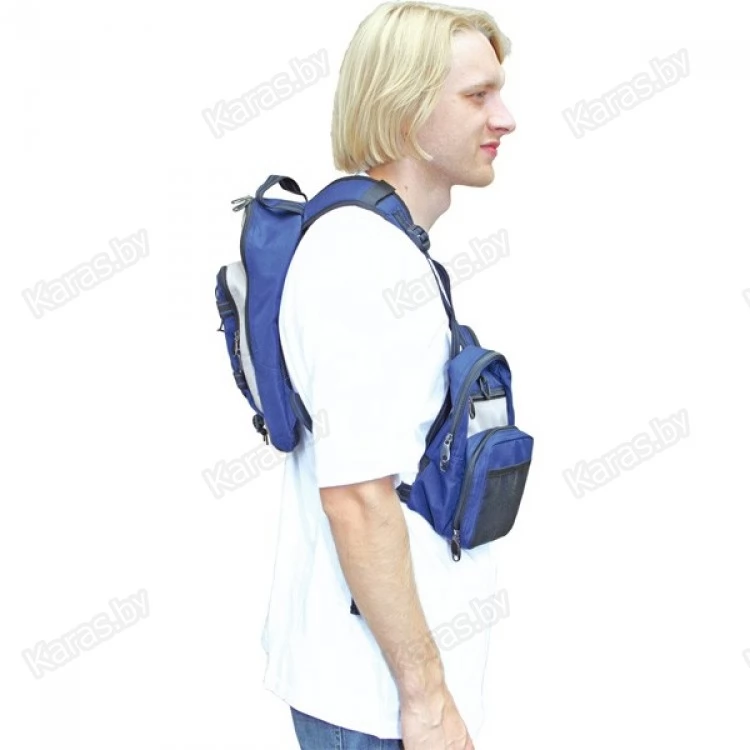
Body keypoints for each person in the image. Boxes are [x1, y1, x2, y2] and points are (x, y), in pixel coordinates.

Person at [261, 2, 516, 747]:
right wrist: (427, 699)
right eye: (477, 96)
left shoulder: (384, 247)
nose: (505, 119)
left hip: (379, 689)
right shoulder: (364, 261)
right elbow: (357, 498)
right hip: (376, 700)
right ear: (404, 109)